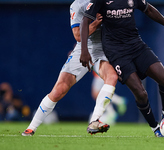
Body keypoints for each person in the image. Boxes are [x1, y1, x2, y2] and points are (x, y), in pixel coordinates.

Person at [80, 0, 164, 137]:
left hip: (136, 45)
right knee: (141, 93)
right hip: (116, 52)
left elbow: (149, 10)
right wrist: (84, 50)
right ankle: (155, 128)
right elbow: (85, 21)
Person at [21, 0, 119, 136]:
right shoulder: (77, 4)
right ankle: (31, 127)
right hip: (83, 48)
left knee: (112, 77)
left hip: (105, 48)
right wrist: (96, 23)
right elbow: (78, 35)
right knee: (58, 90)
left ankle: (94, 121)